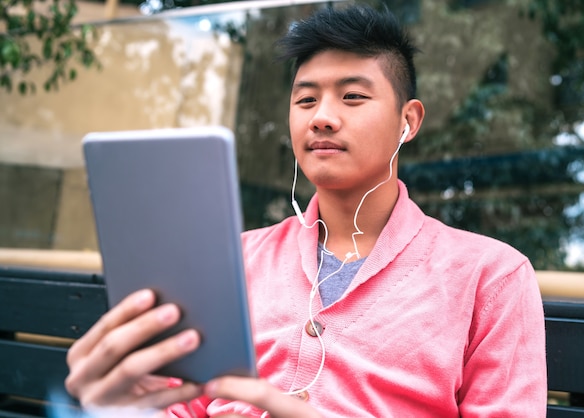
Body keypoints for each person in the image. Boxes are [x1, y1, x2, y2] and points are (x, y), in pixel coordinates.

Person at [64, 4, 547, 417]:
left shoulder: (491, 277)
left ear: (408, 121)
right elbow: (177, 404)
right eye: (306, 99)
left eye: (353, 96)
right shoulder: (233, 259)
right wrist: (119, 406)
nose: (322, 116)